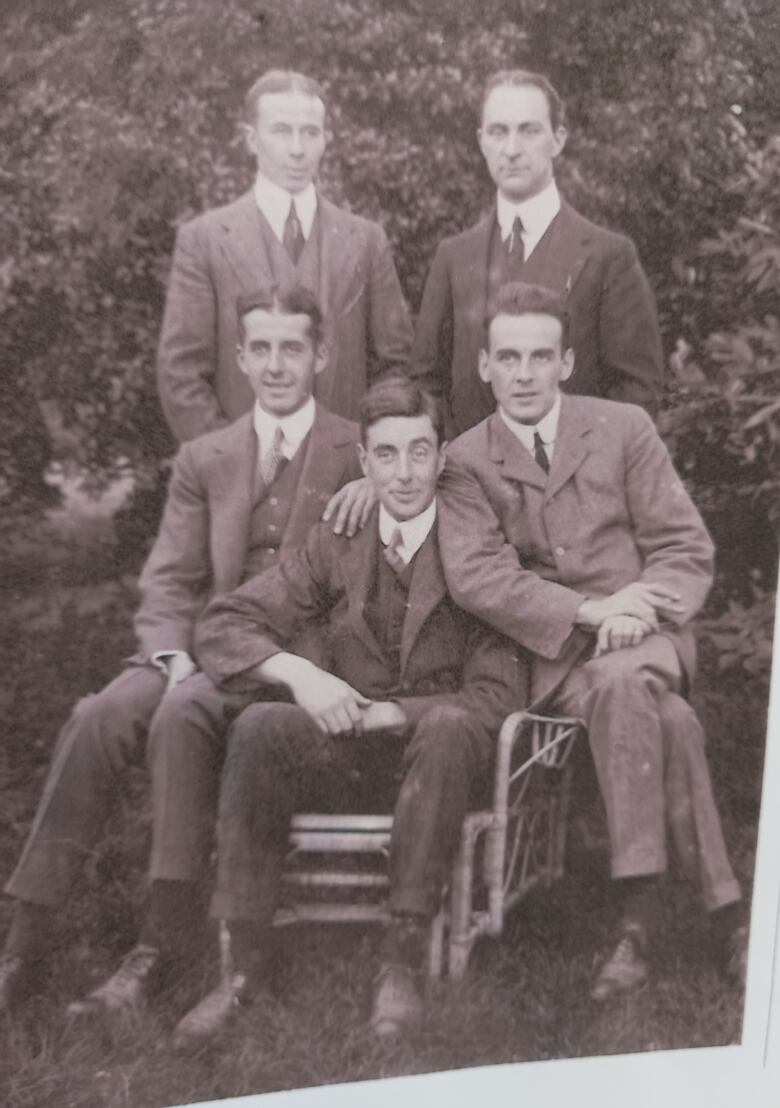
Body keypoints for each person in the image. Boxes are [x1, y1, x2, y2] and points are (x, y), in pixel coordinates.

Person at [0, 286, 365, 1016]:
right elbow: (170, 579)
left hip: (294, 658)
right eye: (259, 348)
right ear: (239, 357)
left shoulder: (358, 451)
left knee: (186, 713)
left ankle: (158, 943)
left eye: (291, 347)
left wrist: (376, 492)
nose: (275, 365)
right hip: (200, 646)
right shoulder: (207, 456)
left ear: (321, 355)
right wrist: (171, 658)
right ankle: (25, 939)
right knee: (101, 714)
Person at [167, 376, 520, 1050]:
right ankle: (242, 966)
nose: (405, 472)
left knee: (447, 725)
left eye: (420, 452)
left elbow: (498, 696)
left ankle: (401, 959)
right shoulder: (339, 538)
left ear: (444, 458)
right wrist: (299, 675)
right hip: (347, 760)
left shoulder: (476, 548)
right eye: (386, 455)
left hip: (440, 765)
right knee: (263, 724)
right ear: (363, 461)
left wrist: (393, 715)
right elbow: (224, 623)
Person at [437, 281, 746, 1000]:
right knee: (668, 718)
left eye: (539, 357)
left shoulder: (623, 428)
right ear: (484, 366)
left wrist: (640, 611)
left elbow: (682, 545)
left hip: (643, 635)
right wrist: (594, 611)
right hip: (548, 658)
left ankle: (637, 923)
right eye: (507, 357)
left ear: (566, 362)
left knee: (622, 682)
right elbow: (481, 579)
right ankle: (722, 916)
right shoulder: (463, 460)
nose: (522, 374)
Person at [157, 68, 413, 442]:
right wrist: (230, 466)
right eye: (281, 131)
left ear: (326, 139)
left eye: (310, 133)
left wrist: (369, 456)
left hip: (346, 484)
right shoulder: (205, 241)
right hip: (242, 484)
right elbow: (181, 374)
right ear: (251, 138)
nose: (297, 149)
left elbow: (397, 367)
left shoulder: (366, 240)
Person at [411, 69, 663, 436]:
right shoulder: (453, 258)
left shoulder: (609, 257)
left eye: (529, 131)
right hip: (471, 486)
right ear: (482, 141)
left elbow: (637, 394)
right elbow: (425, 383)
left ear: (558, 140)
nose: (512, 149)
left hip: (574, 485)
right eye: (499, 132)